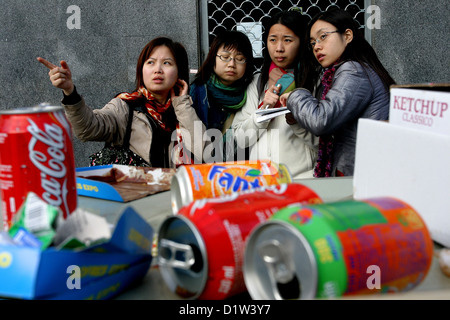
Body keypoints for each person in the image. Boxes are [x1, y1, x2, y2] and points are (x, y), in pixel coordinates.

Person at [37, 36, 204, 168]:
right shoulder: (126, 106)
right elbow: (87, 129)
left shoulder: (184, 110)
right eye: (150, 62)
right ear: (141, 69)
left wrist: (182, 105)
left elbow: (203, 153)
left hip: (174, 197)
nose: (157, 70)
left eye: (166, 63)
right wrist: (69, 91)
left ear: (179, 72)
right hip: (135, 198)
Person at [280, 8, 396, 177]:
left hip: (360, 173)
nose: (317, 46)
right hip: (361, 169)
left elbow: (321, 120)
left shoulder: (353, 70)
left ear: (347, 36)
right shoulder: (349, 70)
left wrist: (295, 95)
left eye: (323, 36)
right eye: (313, 43)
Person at [231, 10, 318, 179]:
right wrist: (264, 111)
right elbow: (240, 140)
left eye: (287, 40)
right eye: (273, 40)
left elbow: (324, 143)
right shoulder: (257, 83)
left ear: (301, 42)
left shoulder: (314, 83)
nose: (279, 48)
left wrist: (297, 121)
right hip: (262, 182)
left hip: (302, 181)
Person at [190, 30, 255, 162]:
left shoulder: (251, 91)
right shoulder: (198, 91)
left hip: (239, 167)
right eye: (225, 57)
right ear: (213, 57)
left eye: (240, 59)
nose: (232, 64)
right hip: (202, 167)